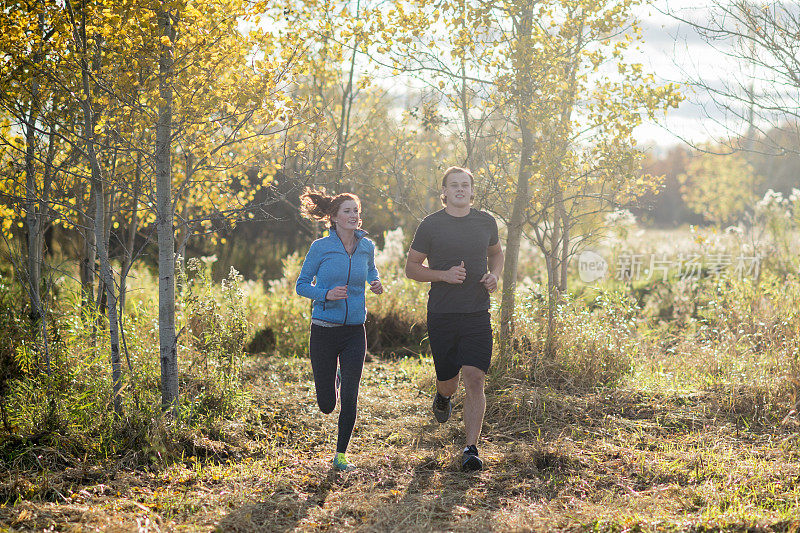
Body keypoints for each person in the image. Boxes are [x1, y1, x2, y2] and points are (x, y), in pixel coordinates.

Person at [405, 167, 504, 471]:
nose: (460, 189)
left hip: (477, 313)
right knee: (449, 381)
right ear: (444, 191)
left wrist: (494, 276)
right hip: (443, 314)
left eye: (465, 185)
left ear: (472, 191)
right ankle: (442, 396)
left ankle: (471, 449)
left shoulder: (486, 221)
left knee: (475, 378)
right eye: (454, 185)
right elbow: (411, 267)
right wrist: (443, 276)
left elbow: (497, 254)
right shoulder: (431, 225)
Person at [295, 188, 383, 472]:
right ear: (333, 217)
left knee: (351, 395)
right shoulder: (320, 248)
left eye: (356, 211)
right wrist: (326, 294)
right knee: (326, 405)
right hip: (323, 330)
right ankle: (332, 377)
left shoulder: (366, 246)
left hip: (355, 331)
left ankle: (341, 454)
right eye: (347, 211)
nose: (353, 216)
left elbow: (371, 270)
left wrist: (375, 282)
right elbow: (301, 285)